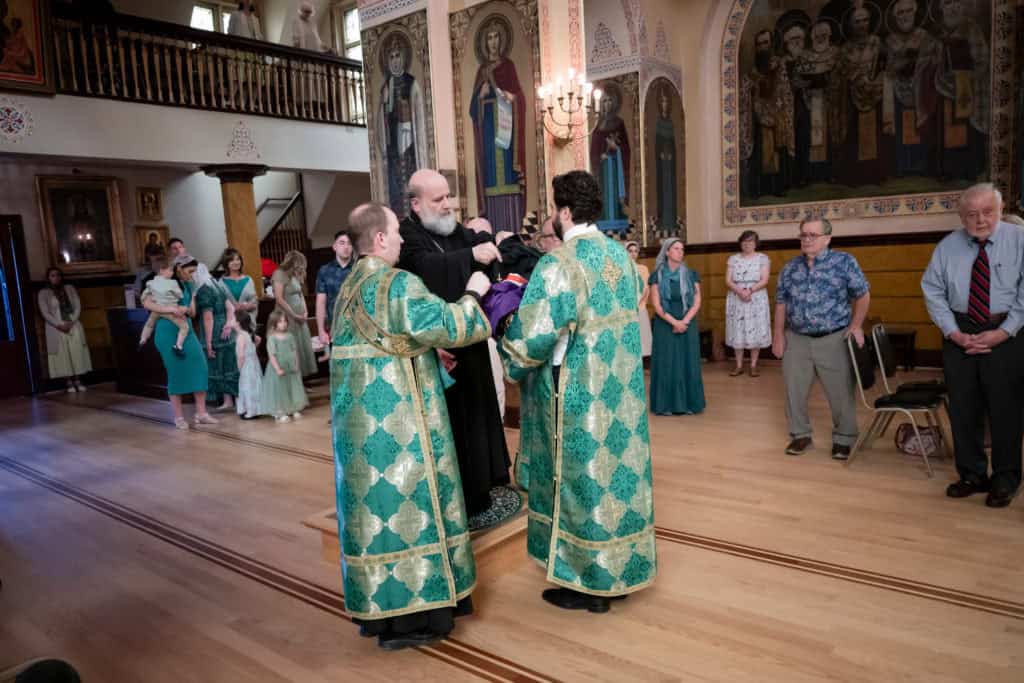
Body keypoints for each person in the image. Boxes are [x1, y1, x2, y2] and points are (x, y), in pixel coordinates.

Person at [329, 201, 493, 649]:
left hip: (360, 436)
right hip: (402, 428)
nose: (402, 238)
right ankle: (422, 615)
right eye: (396, 232)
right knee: (411, 510)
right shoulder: (397, 283)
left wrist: (425, 352)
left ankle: (385, 618)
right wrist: (474, 291)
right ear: (380, 238)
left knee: (377, 516)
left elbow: (386, 343)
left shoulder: (348, 288)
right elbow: (452, 324)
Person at [498, 170, 656, 613]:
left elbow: (534, 336)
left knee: (580, 480)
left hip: (577, 392)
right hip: (621, 391)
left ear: (565, 212)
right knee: (615, 478)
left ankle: (587, 583)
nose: (553, 215)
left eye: (554, 208)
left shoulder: (559, 264)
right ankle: (620, 571)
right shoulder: (620, 257)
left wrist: (508, 339)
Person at [397, 169, 511, 519]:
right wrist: (472, 256)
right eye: (438, 199)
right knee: (453, 427)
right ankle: (454, 499)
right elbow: (426, 267)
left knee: (479, 417)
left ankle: (485, 485)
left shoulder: (455, 230)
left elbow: (481, 251)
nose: (448, 205)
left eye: (448, 196)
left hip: (471, 344)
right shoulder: (407, 236)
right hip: (439, 350)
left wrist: (492, 245)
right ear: (416, 204)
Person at [921, 183, 1024, 508]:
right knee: (964, 408)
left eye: (987, 212)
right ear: (961, 216)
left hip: (1007, 330)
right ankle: (971, 474)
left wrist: (1004, 331)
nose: (980, 220)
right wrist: (953, 333)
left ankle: (1006, 478)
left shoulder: (1020, 239)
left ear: (1000, 209)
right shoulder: (946, 247)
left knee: (1005, 408)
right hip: (960, 331)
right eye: (971, 214)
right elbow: (932, 291)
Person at [772, 217, 870, 459]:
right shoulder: (790, 268)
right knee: (794, 391)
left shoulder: (844, 262)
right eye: (803, 234)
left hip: (834, 337)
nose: (806, 239)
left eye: (812, 235)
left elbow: (863, 295)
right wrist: (778, 335)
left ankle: (844, 438)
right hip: (797, 339)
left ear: (827, 238)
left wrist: (856, 325)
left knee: (841, 392)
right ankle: (800, 435)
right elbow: (781, 303)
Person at [142, 255, 215, 430]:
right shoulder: (159, 283)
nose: (192, 275)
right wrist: (170, 308)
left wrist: (185, 308)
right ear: (179, 268)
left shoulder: (188, 284)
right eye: (190, 271)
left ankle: (201, 413)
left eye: (194, 272)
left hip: (186, 329)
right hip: (167, 330)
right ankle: (178, 417)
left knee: (200, 366)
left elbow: (193, 312)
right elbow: (147, 304)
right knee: (175, 372)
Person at [469, 18, 526, 232]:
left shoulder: (508, 66)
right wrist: (480, 95)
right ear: (485, 43)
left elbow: (520, 97)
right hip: (488, 130)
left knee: (509, 178)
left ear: (501, 40)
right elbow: (472, 110)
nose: (493, 42)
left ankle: (513, 228)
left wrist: (512, 97)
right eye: (489, 38)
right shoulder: (481, 71)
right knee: (491, 180)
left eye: (496, 37)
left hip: (506, 126)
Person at [649, 238, 706, 415]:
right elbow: (656, 305)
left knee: (687, 361)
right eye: (676, 248)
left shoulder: (691, 274)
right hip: (665, 323)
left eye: (682, 249)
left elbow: (697, 300)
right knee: (667, 362)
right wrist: (675, 323)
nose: (680, 252)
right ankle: (665, 405)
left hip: (687, 321)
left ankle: (689, 404)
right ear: (667, 252)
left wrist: (684, 321)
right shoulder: (657, 276)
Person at [378, 34, 428, 214]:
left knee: (411, 181)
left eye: (397, 56)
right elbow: (381, 120)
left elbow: (419, 114)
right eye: (391, 57)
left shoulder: (411, 83)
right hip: (393, 147)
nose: (395, 61)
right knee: (397, 188)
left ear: (404, 58)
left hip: (409, 143)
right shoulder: (386, 87)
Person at [37, 267, 92, 392]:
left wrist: (72, 321)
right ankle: (68, 382)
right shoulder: (43, 293)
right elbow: (45, 312)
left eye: (58, 275)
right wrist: (59, 324)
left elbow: (77, 306)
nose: (56, 278)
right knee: (63, 355)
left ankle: (78, 380)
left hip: (72, 323)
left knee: (76, 352)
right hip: (56, 327)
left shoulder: (69, 288)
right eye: (52, 275)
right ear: (48, 278)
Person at [725, 230, 771, 376]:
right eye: (744, 241)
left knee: (755, 329)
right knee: (737, 330)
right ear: (740, 242)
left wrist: (749, 290)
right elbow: (728, 280)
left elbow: (764, 280)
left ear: (756, 243)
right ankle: (738, 365)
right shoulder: (733, 259)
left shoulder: (763, 258)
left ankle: (753, 365)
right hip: (736, 296)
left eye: (750, 241)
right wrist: (740, 291)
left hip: (756, 297)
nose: (747, 244)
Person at [194, 263, 239, 412]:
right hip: (226, 329)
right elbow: (231, 308)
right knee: (229, 365)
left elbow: (208, 318)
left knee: (218, 366)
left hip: (214, 331)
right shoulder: (215, 283)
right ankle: (232, 400)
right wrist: (228, 324)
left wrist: (208, 342)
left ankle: (228, 401)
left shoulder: (204, 290)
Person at [272, 251, 317, 378]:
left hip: (300, 317)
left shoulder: (294, 275)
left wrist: (305, 311)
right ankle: (292, 377)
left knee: (301, 346)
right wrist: (294, 315)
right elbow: (279, 298)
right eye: (300, 264)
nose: (301, 268)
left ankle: (302, 377)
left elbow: (300, 294)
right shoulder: (279, 274)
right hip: (287, 316)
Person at [261, 309, 308, 422]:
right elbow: (272, 355)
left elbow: (294, 351)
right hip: (278, 367)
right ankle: (280, 411)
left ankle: (293, 408)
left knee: (292, 387)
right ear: (274, 323)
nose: (284, 323)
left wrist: (296, 364)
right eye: (280, 321)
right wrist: (277, 369)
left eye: (285, 321)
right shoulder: (272, 338)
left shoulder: (290, 336)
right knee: (280, 390)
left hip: (290, 366)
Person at [138, 255, 190, 354]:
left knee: (149, 325)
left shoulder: (150, 283)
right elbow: (179, 295)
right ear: (162, 270)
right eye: (170, 270)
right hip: (170, 311)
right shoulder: (172, 283)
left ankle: (143, 339)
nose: (172, 273)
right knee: (184, 327)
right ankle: (178, 345)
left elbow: (144, 297)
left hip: (156, 311)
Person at [315, 231, 354, 354]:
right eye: (342, 243)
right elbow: (321, 302)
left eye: (349, 243)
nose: (346, 247)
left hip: (357, 329)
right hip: (334, 329)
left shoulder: (358, 269)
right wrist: (320, 330)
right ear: (334, 246)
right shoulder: (324, 271)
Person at [231, 309, 263, 420]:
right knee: (254, 386)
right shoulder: (248, 334)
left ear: (238, 322)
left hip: (245, 366)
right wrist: (252, 350)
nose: (230, 320)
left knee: (246, 387)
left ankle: (249, 411)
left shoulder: (240, 337)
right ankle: (256, 409)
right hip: (253, 364)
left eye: (232, 319)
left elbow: (240, 355)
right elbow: (259, 339)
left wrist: (239, 368)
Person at [215, 248, 259, 328]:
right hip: (229, 324)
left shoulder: (249, 280)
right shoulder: (220, 283)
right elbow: (218, 306)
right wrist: (232, 308)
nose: (236, 262)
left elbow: (255, 303)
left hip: (247, 323)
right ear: (226, 263)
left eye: (238, 259)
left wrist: (247, 306)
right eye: (232, 260)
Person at [625, 241, 652, 357]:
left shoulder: (643, 269)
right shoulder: (621, 269)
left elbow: (646, 288)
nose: (633, 254)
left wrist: (639, 303)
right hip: (626, 309)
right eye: (630, 251)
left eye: (636, 251)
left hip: (640, 306)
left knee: (642, 340)